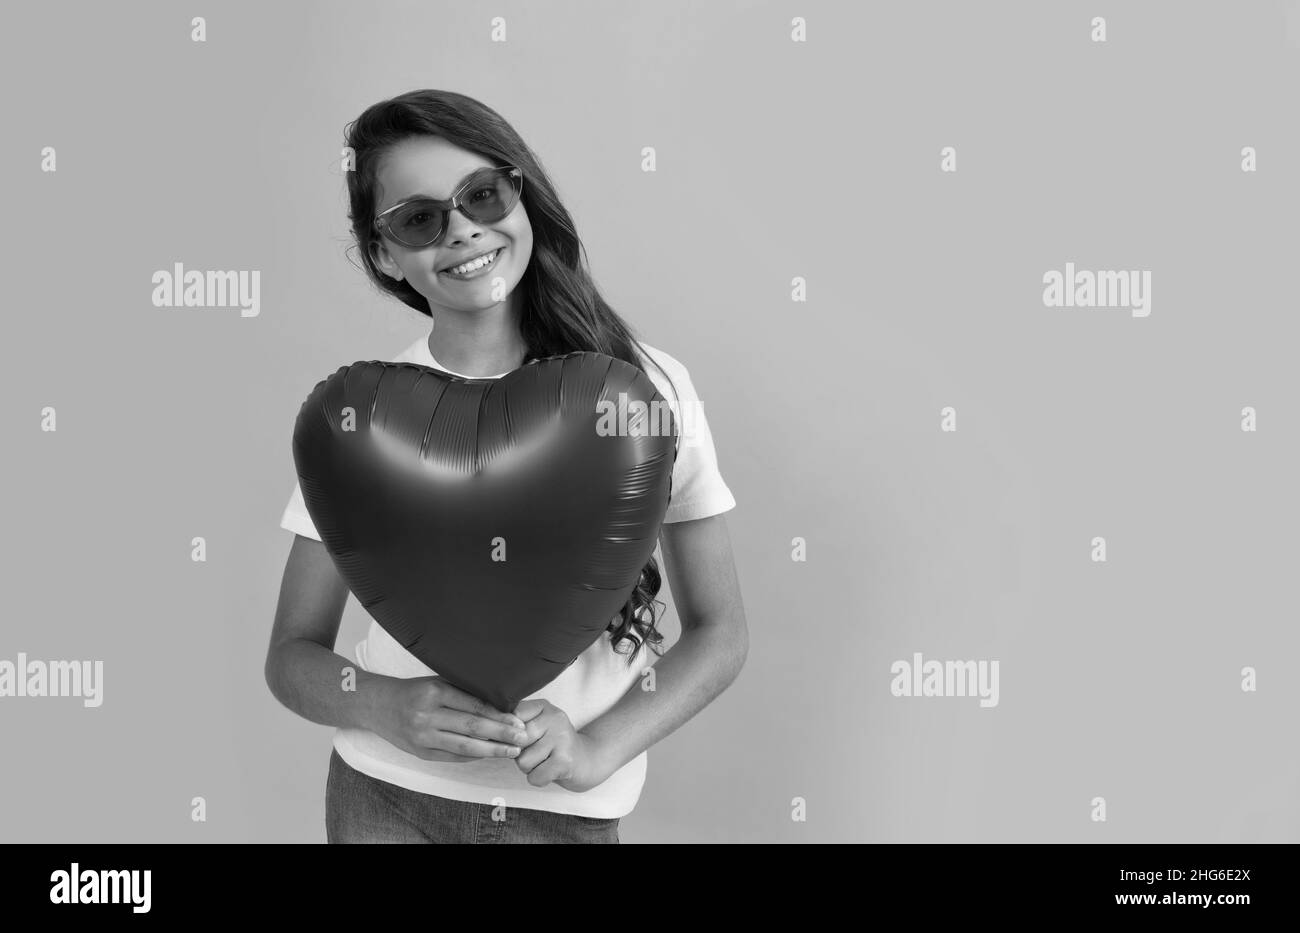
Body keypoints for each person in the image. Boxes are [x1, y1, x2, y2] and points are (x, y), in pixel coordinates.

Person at [265, 89, 748, 843]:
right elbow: (291, 656)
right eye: (420, 218)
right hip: (382, 800)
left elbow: (721, 631)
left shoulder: (644, 390)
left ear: (522, 197)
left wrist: (598, 747)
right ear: (386, 253)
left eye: (482, 195)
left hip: (563, 818)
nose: (463, 230)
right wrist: (386, 706)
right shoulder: (360, 418)